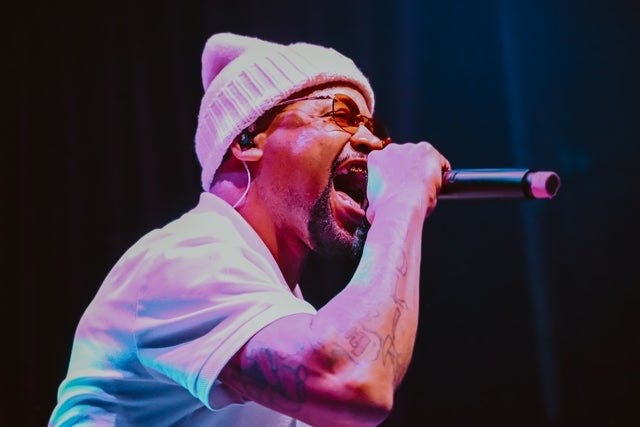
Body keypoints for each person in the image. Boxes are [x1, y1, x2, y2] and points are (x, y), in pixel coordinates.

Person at [49, 32, 450, 426]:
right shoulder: (186, 258)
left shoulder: (281, 310)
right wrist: (402, 200)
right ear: (247, 139)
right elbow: (352, 380)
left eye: (375, 128)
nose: (372, 142)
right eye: (342, 115)